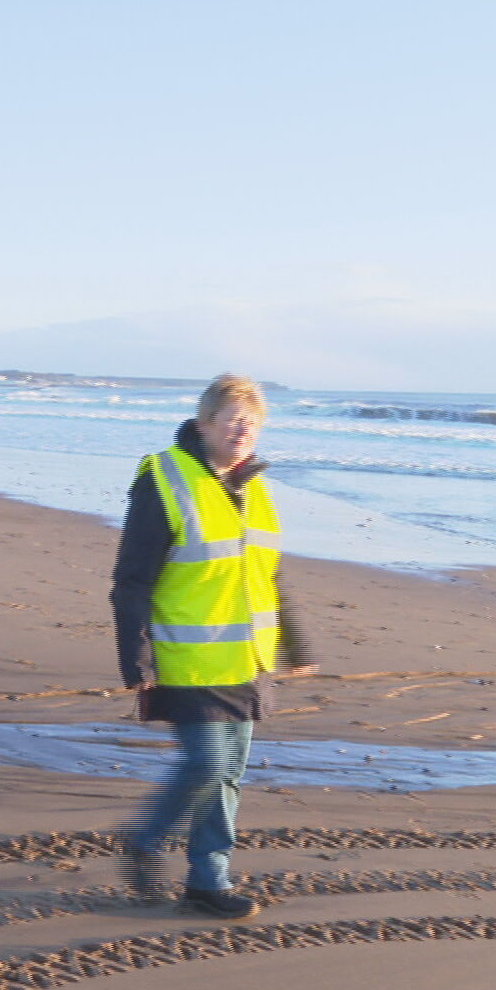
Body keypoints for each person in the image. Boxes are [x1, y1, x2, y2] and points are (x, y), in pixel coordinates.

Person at [109, 373, 316, 919]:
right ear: (205, 425)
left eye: (253, 421)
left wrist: (291, 645)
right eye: (232, 418)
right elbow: (132, 577)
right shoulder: (166, 478)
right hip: (185, 658)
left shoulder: (256, 489)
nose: (244, 429)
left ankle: (206, 881)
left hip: (245, 663)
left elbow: (262, 578)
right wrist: (135, 655)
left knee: (226, 775)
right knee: (209, 764)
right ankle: (152, 843)